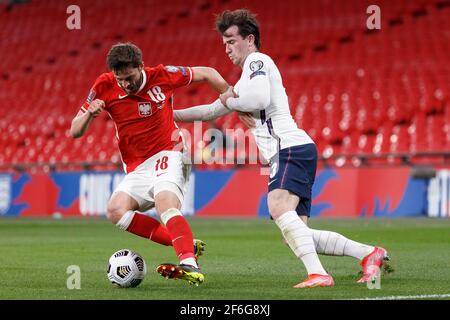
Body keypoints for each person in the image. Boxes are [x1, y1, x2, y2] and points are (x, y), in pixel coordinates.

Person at [173, 9, 391, 288]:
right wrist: (170, 113)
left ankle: (319, 275)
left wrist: (232, 102)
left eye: (230, 40)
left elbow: (257, 98)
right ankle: (369, 254)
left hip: (288, 147)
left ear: (249, 39)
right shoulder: (246, 78)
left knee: (277, 206)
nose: (226, 48)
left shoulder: (257, 60)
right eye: (224, 43)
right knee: (295, 233)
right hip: (294, 149)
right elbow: (211, 109)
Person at [70, 42, 230, 286]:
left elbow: (208, 72)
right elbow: (75, 131)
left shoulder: (163, 76)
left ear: (141, 67)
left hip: (170, 152)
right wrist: (89, 114)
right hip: (138, 166)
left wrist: (230, 96)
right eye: (120, 79)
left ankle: (189, 262)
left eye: (130, 77)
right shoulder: (104, 85)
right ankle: (187, 244)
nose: (125, 84)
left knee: (164, 201)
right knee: (115, 211)